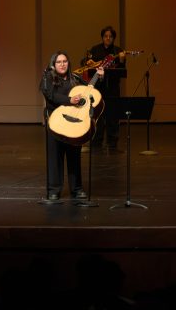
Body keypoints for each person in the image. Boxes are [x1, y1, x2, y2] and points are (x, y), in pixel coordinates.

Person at [40, 51, 103, 201]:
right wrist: (70, 100)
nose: (62, 64)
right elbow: (51, 95)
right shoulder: (48, 77)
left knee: (74, 156)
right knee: (55, 157)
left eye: (65, 61)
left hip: (74, 122)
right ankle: (54, 190)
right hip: (55, 121)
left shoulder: (75, 78)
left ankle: (77, 188)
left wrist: (98, 77)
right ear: (53, 65)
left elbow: (88, 91)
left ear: (69, 63)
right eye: (59, 62)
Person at [82, 26, 126, 151]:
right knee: (98, 114)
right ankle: (96, 140)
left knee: (113, 115)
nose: (108, 38)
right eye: (106, 36)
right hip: (98, 88)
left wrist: (122, 60)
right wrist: (89, 62)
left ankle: (112, 142)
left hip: (112, 88)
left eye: (110, 36)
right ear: (102, 37)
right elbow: (86, 64)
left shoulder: (118, 50)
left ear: (113, 38)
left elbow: (122, 70)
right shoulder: (95, 49)